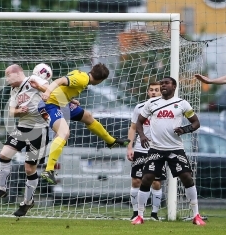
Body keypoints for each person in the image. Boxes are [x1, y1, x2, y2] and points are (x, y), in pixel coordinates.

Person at [31, 63, 130, 184]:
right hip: (50, 105)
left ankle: (111, 141)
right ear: (100, 80)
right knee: (64, 133)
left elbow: (63, 88)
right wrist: (47, 93)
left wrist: (70, 99)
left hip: (63, 103)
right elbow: (60, 81)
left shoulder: (82, 75)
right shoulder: (82, 80)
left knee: (88, 117)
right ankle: (49, 170)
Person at [132, 76, 205, 226]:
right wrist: (143, 135)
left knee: (187, 178)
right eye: (161, 83)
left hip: (175, 149)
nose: (163, 85)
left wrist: (185, 129)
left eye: (166, 83)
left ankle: (196, 215)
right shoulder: (151, 103)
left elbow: (196, 122)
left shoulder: (182, 104)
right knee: (146, 179)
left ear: (174, 86)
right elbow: (138, 122)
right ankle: (139, 216)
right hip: (156, 148)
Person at [0, 64, 50, 217]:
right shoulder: (14, 90)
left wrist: (69, 100)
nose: (6, 79)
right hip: (22, 128)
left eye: (8, 75)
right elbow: (11, 112)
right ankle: (2, 189)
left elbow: (51, 91)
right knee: (4, 154)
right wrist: (18, 111)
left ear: (17, 74)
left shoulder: (33, 80)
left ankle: (27, 203)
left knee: (29, 169)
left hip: (38, 130)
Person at [127, 81, 165, 221]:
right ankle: (136, 212)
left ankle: (154, 214)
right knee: (137, 180)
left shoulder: (165, 108)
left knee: (156, 182)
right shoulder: (140, 108)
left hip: (158, 149)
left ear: (161, 92)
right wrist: (130, 147)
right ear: (147, 92)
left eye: (156, 90)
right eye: (151, 90)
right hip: (140, 149)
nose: (154, 92)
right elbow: (132, 128)